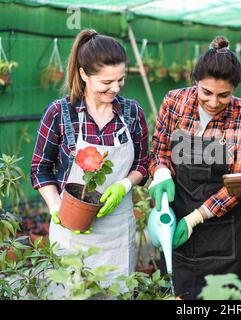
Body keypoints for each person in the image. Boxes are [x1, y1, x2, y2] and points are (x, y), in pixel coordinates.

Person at [30, 29, 150, 283]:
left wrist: (124, 185)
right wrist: (55, 206)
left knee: (116, 290)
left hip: (117, 232)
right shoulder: (61, 113)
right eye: (106, 82)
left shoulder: (132, 112)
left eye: (120, 79)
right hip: (70, 233)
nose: (115, 88)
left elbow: (142, 163)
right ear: (84, 74)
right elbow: (40, 168)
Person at [148, 36, 241, 300]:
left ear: (234, 90)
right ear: (195, 81)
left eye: (224, 95)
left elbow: (238, 182)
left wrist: (196, 218)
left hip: (225, 233)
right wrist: (161, 172)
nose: (214, 102)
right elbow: (159, 151)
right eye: (206, 92)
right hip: (176, 228)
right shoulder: (174, 102)